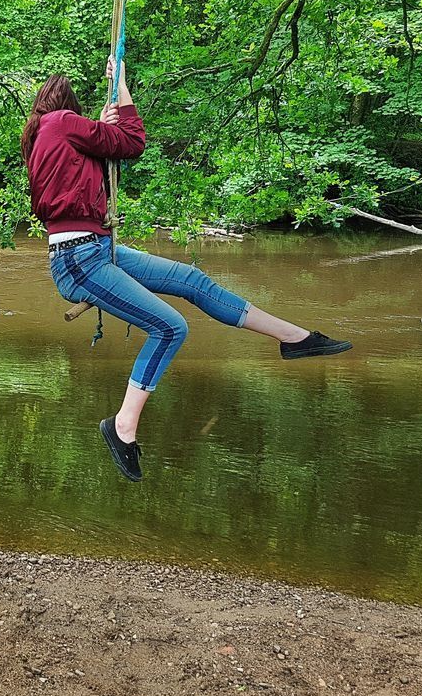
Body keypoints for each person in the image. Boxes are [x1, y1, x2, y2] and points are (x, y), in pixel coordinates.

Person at [23, 57, 352, 482]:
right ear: (63, 103)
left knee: (193, 281)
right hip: (79, 259)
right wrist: (121, 86)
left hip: (97, 249)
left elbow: (113, 150)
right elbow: (133, 141)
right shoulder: (60, 121)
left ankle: (295, 338)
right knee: (170, 327)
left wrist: (106, 128)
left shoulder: (52, 139)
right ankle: (122, 427)